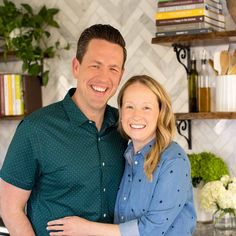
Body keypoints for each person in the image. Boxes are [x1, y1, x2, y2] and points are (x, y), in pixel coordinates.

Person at [0, 24, 128, 236]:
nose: (104, 77)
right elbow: (9, 207)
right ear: (76, 67)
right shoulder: (36, 129)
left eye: (113, 68)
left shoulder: (124, 126)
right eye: (95, 65)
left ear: (121, 75)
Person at [47, 75, 197, 236]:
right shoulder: (128, 155)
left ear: (161, 112)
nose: (136, 115)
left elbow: (152, 230)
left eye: (146, 107)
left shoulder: (173, 160)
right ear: (121, 112)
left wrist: (85, 228)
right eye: (129, 107)